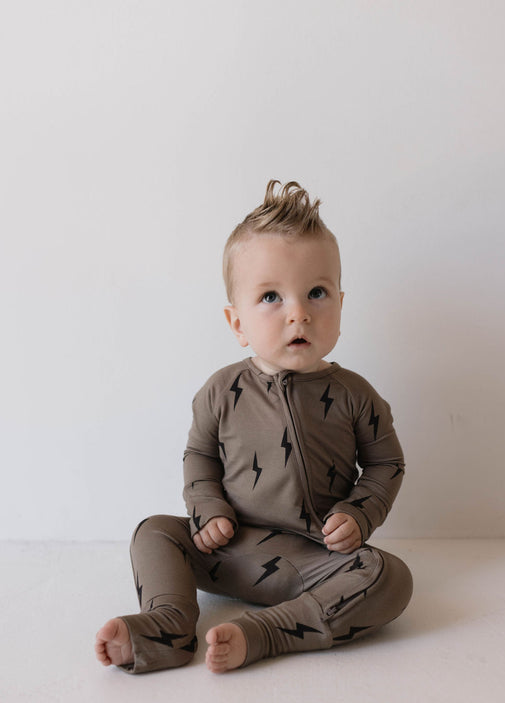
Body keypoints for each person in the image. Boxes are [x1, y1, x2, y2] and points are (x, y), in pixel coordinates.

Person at [95, 180, 413, 674]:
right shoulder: (220, 392)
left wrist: (361, 511)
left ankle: (265, 633)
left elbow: (385, 463)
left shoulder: (356, 395)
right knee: (154, 532)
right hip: (228, 548)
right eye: (270, 296)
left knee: (389, 576)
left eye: (317, 292)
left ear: (341, 304)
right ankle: (169, 624)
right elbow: (199, 457)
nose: (299, 313)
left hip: (316, 559)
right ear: (236, 321)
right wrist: (206, 509)